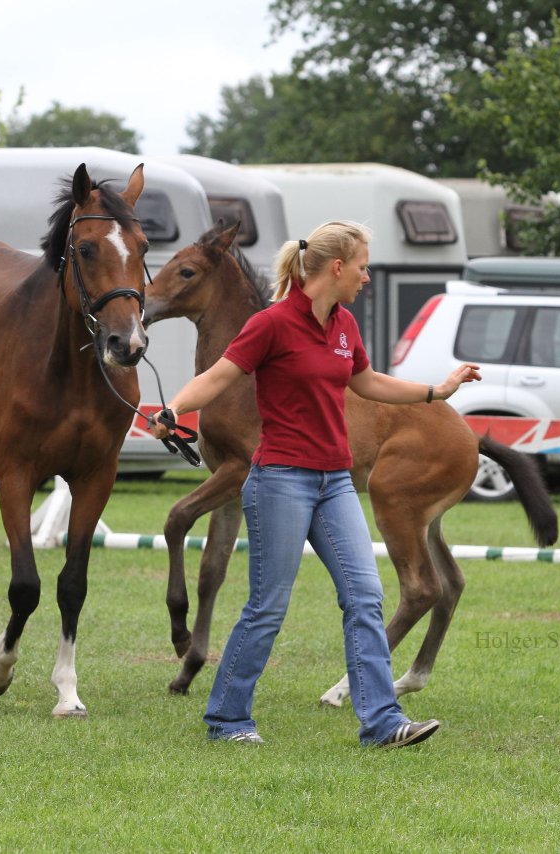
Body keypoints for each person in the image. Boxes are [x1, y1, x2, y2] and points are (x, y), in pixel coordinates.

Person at [150, 221, 481, 749]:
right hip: (280, 480)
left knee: (366, 598)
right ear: (335, 267)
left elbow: (366, 382)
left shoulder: (344, 324)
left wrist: (434, 391)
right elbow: (219, 376)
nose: (367, 276)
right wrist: (174, 408)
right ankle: (228, 718)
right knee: (268, 608)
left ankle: (382, 723)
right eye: (362, 266)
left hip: (335, 482)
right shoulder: (272, 323)